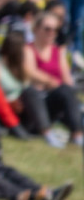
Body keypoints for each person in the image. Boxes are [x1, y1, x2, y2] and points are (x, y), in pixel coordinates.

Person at [25, 10, 83, 146]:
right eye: (47, 29)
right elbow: (30, 72)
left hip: (55, 99)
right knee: (32, 91)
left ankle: (78, 134)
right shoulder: (28, 49)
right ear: (36, 29)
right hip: (36, 98)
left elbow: (67, 80)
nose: (51, 32)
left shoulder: (58, 52)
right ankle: (48, 134)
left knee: (67, 92)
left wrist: (61, 87)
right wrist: (50, 81)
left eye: (55, 30)